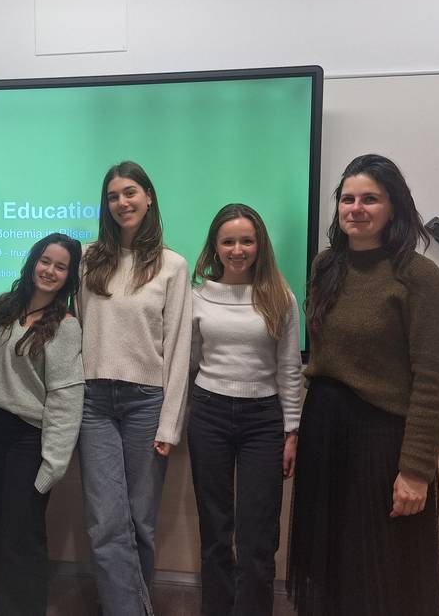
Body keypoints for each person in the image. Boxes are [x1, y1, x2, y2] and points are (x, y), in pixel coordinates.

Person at [287, 154, 439, 616]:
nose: (355, 208)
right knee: (328, 563)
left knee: (378, 570)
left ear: (394, 208)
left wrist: (416, 470)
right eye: (347, 199)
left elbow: (434, 382)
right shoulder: (325, 267)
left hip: (381, 441)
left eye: (370, 199)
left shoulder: (421, 278)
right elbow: (323, 360)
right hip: (325, 426)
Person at [77, 161, 192, 616]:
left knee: (140, 523)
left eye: (130, 193)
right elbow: (80, 330)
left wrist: (170, 424)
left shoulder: (173, 265)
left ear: (148, 197)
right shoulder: (88, 259)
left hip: (147, 403)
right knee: (105, 522)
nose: (121, 202)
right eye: (112, 196)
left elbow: (180, 347)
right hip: (94, 403)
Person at [188, 203, 302, 616]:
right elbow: (190, 360)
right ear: (215, 247)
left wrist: (292, 431)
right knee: (215, 530)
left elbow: (290, 368)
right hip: (208, 413)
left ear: (260, 246)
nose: (238, 249)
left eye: (246, 241)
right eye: (228, 241)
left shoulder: (280, 297)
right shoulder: (198, 296)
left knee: (258, 536)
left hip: (263, 422)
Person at [0, 233, 85, 616]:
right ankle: (6, 602)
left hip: (27, 437)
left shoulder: (65, 326)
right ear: (33, 261)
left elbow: (66, 400)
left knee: (23, 532)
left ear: (69, 277)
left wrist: (53, 464)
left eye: (60, 266)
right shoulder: (4, 305)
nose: (50, 270)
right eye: (45, 261)